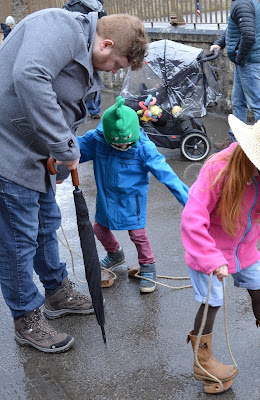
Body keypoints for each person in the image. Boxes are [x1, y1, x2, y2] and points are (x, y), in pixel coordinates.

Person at [0, 8, 149, 353]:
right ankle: (26, 319)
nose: (113, 72)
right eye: (117, 64)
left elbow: (63, 106)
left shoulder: (87, 50)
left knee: (45, 225)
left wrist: (63, 158)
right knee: (18, 242)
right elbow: (29, 76)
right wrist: (65, 146)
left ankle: (56, 292)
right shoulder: (60, 26)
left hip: (35, 153)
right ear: (107, 43)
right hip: (8, 152)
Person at [181, 115, 260, 393]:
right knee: (211, 302)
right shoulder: (218, 169)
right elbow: (192, 216)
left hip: (244, 247)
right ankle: (202, 362)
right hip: (210, 250)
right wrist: (211, 259)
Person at [77, 96, 189, 292]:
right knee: (99, 229)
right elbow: (74, 149)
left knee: (137, 234)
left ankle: (148, 265)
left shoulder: (144, 148)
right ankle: (115, 254)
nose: (122, 147)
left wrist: (190, 203)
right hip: (106, 198)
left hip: (132, 201)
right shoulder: (97, 140)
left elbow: (168, 176)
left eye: (126, 144)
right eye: (117, 144)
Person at [210, 0, 260, 151]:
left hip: (249, 63)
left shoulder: (241, 3)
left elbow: (249, 35)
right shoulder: (242, 2)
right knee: (238, 102)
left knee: (257, 105)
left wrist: (239, 59)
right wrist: (219, 43)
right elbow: (234, 29)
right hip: (246, 62)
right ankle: (235, 142)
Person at [62, 0, 108, 119]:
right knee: (93, 81)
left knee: (75, 82)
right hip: (94, 50)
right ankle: (94, 110)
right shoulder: (100, 9)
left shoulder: (70, 6)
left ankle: (76, 111)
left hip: (75, 51)